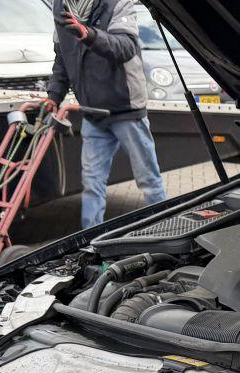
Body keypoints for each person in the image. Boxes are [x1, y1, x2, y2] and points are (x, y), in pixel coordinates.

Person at [47, 0, 167, 229]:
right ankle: (91, 240)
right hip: (93, 113)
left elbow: (126, 47)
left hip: (126, 108)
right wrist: (53, 95)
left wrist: (88, 34)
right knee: (92, 185)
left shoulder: (117, 3)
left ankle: (168, 229)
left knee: (149, 181)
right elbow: (63, 58)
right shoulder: (61, 7)